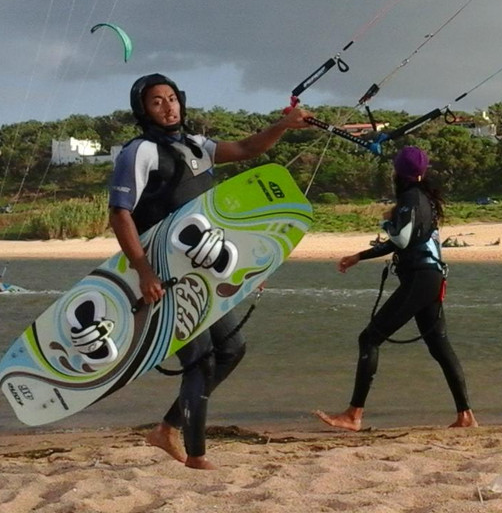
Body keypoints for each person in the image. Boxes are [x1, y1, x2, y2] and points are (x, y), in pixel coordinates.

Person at [109, 72, 313, 470]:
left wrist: (283, 125)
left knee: (232, 349)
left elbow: (247, 148)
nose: (168, 107)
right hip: (164, 275)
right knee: (200, 358)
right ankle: (196, 457)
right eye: (156, 101)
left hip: (202, 269)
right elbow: (120, 215)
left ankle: (166, 428)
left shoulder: (197, 146)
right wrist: (144, 270)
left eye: (172, 98)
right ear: (143, 110)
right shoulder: (139, 153)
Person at [315, 145, 477, 432]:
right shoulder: (424, 197)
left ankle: (354, 415)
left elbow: (400, 239)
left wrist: (386, 222)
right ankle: (466, 416)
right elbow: (406, 240)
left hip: (420, 278)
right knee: (440, 346)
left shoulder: (409, 199)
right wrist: (359, 256)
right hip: (431, 277)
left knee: (370, 338)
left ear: (397, 171)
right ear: (422, 172)